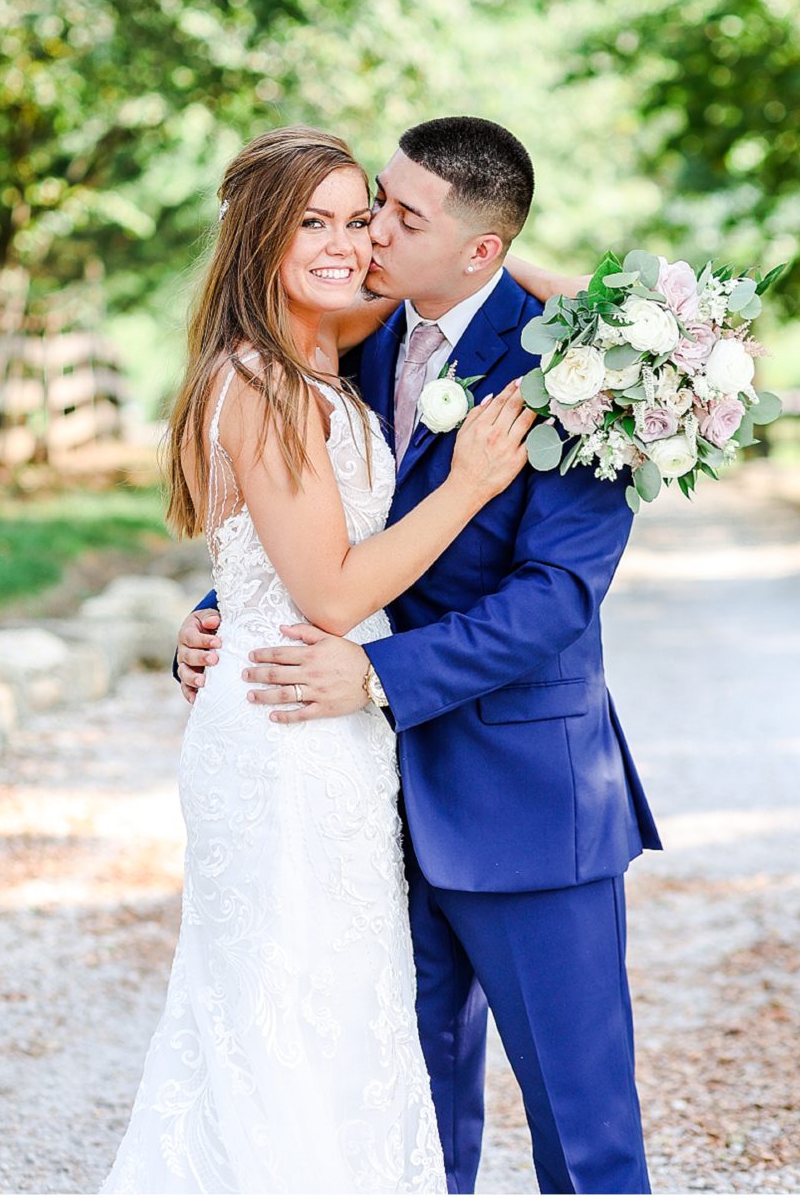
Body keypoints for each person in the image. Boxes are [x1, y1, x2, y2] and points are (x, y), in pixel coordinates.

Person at [179, 116, 663, 1196]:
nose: (369, 237)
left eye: (398, 215)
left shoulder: (586, 373)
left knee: (581, 1131)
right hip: (357, 799)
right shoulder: (362, 332)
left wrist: (378, 675)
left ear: (481, 249)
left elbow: (556, 600)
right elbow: (319, 522)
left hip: (523, 796)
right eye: (366, 206)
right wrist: (225, 608)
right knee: (399, 1116)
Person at [99, 125, 540, 1195]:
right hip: (284, 730)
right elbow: (333, 592)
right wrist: (468, 485)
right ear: (261, 236)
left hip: (325, 729)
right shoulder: (264, 381)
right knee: (278, 1013)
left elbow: (486, 271)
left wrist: (640, 316)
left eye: (363, 218)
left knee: (334, 1010)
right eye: (316, 222)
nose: (351, 244)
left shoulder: (324, 352)